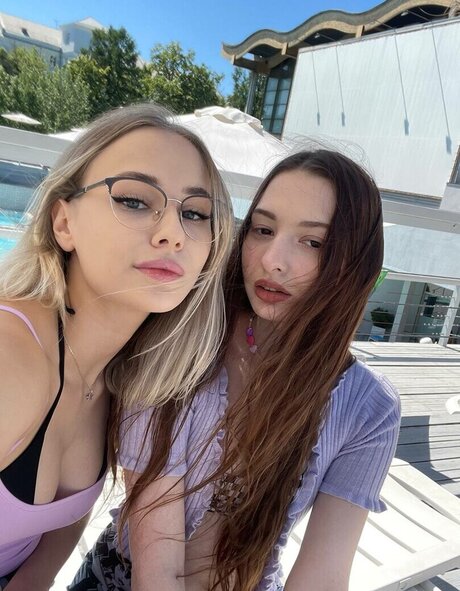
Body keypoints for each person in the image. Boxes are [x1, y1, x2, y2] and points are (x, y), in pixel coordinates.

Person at [70, 149, 400, 591]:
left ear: (355, 262)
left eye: (314, 242)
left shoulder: (368, 409)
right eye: (263, 229)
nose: (272, 260)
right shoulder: (183, 334)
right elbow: (157, 564)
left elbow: (324, 574)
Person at [0, 103, 233, 590]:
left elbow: (56, 537)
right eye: (134, 200)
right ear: (64, 223)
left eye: (195, 213)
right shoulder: (10, 355)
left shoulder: (124, 378)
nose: (173, 234)